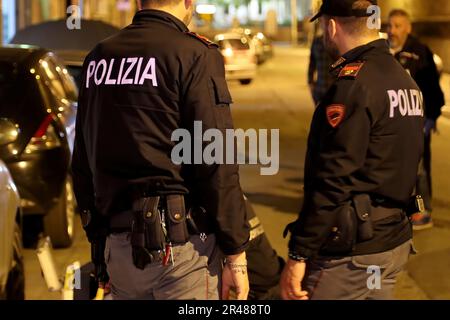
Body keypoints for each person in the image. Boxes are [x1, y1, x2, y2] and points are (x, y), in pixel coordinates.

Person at [72, 0, 250, 300]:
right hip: (182, 256)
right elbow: (215, 159)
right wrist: (236, 252)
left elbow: (83, 160)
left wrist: (99, 245)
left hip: (119, 251)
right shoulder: (194, 55)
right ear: (188, 2)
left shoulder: (98, 57)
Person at [281, 0, 424, 300]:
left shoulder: (354, 85)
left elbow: (333, 178)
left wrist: (299, 253)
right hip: (390, 244)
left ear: (331, 26)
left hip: (353, 257)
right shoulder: (404, 79)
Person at [388, 9, 445, 230]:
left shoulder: (420, 53)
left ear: (408, 28)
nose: (393, 30)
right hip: (393, 125)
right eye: (390, 25)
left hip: (418, 124)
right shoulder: (384, 52)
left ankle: (423, 211)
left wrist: (431, 118)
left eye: (398, 26)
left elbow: (433, 89)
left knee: (419, 170)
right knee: (397, 168)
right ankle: (402, 208)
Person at [308, 31, 336, 106]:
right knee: (319, 116)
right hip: (319, 89)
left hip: (335, 91)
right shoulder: (317, 42)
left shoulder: (337, 42)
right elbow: (312, 64)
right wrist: (310, 82)